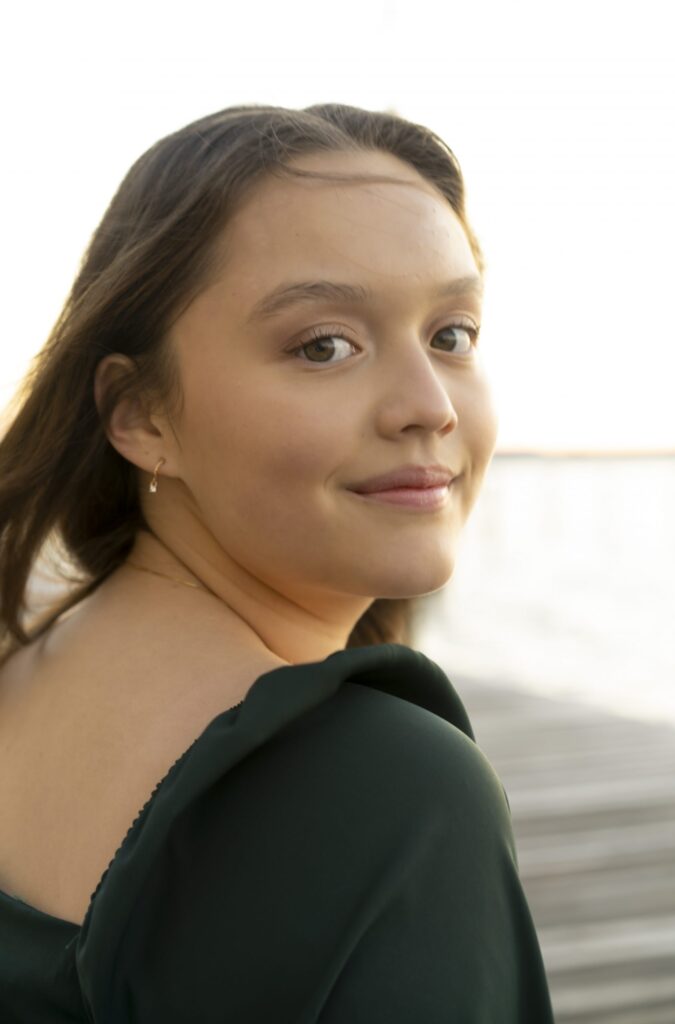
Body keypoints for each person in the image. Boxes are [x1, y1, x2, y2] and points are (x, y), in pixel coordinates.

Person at [0, 103, 555, 1021]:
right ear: (140, 414)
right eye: (323, 345)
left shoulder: (25, 661)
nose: (428, 406)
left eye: (450, 334)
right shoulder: (398, 794)